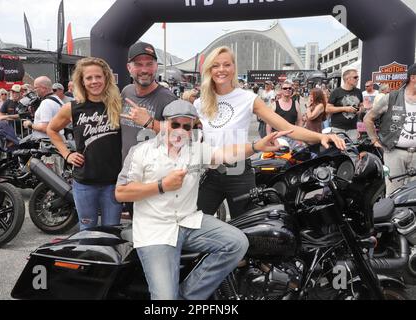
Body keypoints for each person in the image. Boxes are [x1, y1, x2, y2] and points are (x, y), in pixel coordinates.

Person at [116, 100, 295, 300]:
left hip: (189, 221)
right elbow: (121, 192)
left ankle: (188, 296)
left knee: (237, 243)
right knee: (165, 299)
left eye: (186, 126)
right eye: (175, 124)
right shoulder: (141, 151)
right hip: (155, 230)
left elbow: (226, 154)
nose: (180, 130)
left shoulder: (195, 150)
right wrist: (161, 186)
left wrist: (257, 145)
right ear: (164, 123)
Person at [194, 46, 345, 219]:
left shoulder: (247, 98)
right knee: (193, 224)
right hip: (211, 172)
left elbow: (288, 127)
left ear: (234, 68)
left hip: (239, 173)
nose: (221, 70)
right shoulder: (200, 102)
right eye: (215, 65)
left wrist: (321, 136)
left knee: (246, 232)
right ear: (209, 69)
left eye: (226, 64)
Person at [47, 57, 123, 230]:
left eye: (98, 77)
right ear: (81, 81)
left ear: (106, 78)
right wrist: (67, 154)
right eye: (89, 78)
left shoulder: (117, 105)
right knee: (87, 232)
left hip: (113, 183)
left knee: (111, 232)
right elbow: (52, 130)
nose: (94, 81)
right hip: (85, 183)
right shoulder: (72, 107)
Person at [120, 41, 177, 162]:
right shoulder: (126, 92)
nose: (144, 70)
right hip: (126, 172)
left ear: (156, 66)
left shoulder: (168, 99)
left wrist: (150, 122)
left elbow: (180, 135)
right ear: (129, 68)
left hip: (154, 175)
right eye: (138, 64)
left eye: (149, 64)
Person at [364, 63, 416, 195]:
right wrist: (374, 140)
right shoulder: (392, 98)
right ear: (413, 78)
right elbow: (368, 118)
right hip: (394, 153)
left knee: (413, 195)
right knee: (394, 193)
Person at [326, 69, 363, 142]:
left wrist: (361, 109)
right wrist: (345, 109)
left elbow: (361, 105)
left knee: (352, 152)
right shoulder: (336, 92)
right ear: (347, 79)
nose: (358, 79)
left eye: (357, 77)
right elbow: (328, 109)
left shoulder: (358, 91)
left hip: (353, 129)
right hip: (338, 128)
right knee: (338, 151)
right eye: (355, 77)